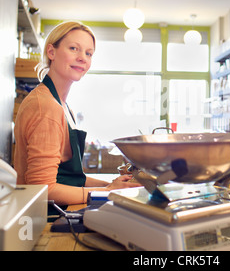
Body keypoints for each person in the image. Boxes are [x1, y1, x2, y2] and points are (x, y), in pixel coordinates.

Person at [14, 21, 140, 216]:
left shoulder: (64, 107)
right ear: (51, 52)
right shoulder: (46, 106)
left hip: (59, 210)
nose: (82, 58)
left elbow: (70, 178)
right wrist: (107, 192)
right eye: (74, 48)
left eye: (89, 53)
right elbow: (43, 188)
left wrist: (111, 185)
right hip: (45, 218)